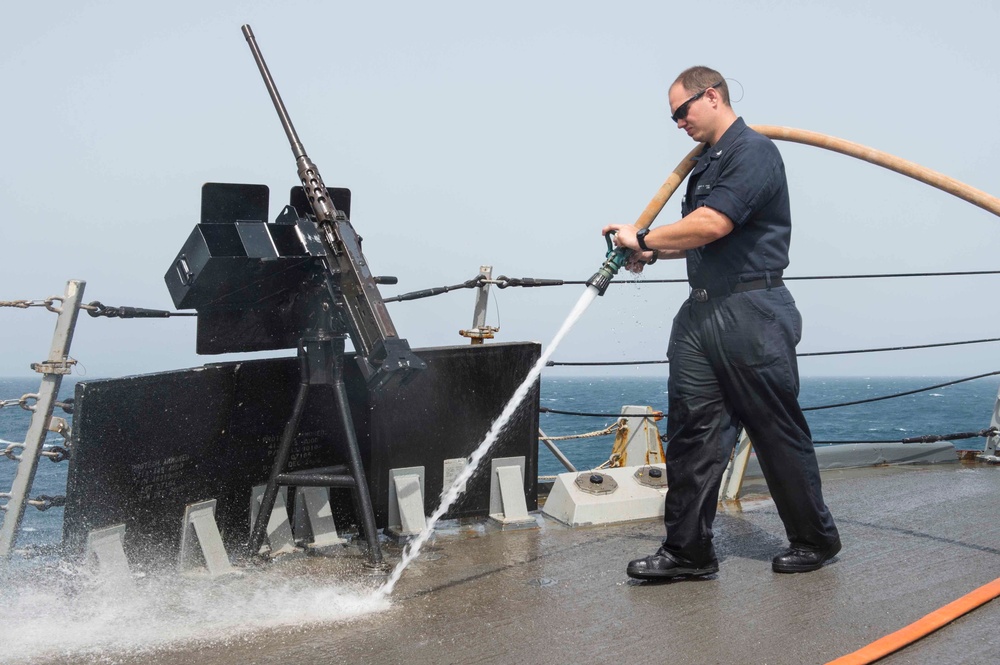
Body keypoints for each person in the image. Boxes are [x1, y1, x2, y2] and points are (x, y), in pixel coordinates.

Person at [602, 66, 840, 580]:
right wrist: (651, 253)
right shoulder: (705, 163)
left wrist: (642, 238)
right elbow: (702, 238)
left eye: (681, 111)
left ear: (711, 96)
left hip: (753, 311)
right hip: (701, 312)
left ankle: (815, 539)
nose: (677, 122)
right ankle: (689, 552)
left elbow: (714, 222)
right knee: (693, 434)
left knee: (775, 431)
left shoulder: (753, 152)